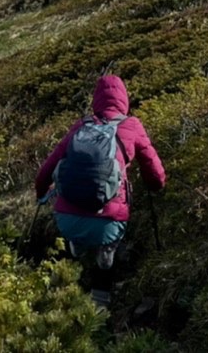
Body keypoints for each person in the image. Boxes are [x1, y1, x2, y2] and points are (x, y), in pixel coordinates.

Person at [35, 74, 165, 280]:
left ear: (96, 99)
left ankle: (76, 246)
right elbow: (154, 171)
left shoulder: (81, 125)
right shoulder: (132, 125)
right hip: (109, 220)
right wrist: (156, 186)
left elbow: (46, 169)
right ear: (124, 99)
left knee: (75, 231)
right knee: (108, 239)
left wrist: (41, 192)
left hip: (66, 218)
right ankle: (106, 256)